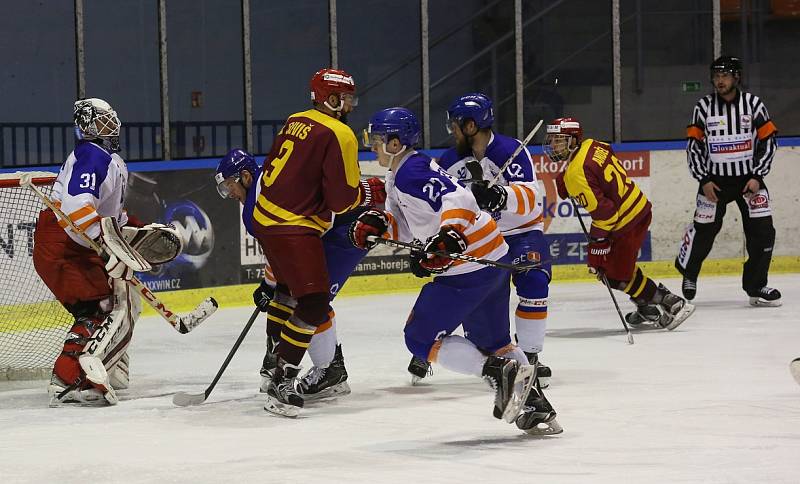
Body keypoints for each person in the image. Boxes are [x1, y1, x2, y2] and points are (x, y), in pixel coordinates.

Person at [351, 107, 561, 435]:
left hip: (469, 265)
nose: (372, 146)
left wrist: (450, 236)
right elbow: (410, 227)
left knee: (419, 338)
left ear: (394, 144)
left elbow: (459, 198)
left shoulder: (411, 172)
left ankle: (497, 373)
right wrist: (381, 224)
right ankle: (535, 404)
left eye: (376, 140)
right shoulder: (401, 173)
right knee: (496, 343)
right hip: (489, 255)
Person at [33, 98, 182, 406]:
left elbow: (111, 215)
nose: (111, 123)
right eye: (103, 119)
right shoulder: (91, 156)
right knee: (100, 308)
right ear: (88, 126)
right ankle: (67, 380)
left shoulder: (108, 160)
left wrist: (137, 233)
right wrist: (108, 246)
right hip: (62, 246)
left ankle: (109, 367)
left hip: (76, 243)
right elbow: (77, 208)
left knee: (125, 301)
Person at [214, 148, 383, 401]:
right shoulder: (263, 190)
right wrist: (269, 283)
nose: (229, 195)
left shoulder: (256, 207)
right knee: (291, 293)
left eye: (230, 186)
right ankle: (283, 359)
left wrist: (368, 191)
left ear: (246, 177)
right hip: (332, 227)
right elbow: (282, 255)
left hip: (349, 229)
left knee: (311, 301)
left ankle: (330, 370)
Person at [250, 68, 368, 418]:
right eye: (345, 98)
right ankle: (283, 377)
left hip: (265, 219)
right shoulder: (341, 133)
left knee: (285, 292)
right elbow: (342, 200)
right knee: (314, 303)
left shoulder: (294, 120)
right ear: (331, 98)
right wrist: (366, 192)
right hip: (294, 225)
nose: (349, 105)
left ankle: (272, 364)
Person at [434, 92, 552, 389]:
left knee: (535, 282)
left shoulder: (511, 150)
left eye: (456, 125)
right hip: (482, 239)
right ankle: (436, 337)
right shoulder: (448, 161)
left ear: (470, 126)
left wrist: (502, 195)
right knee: (468, 292)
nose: (453, 131)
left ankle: (530, 357)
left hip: (521, 232)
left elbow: (532, 200)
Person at [549, 117, 695, 330]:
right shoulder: (594, 145)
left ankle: (672, 303)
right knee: (618, 269)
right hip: (638, 208)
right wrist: (568, 173)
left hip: (625, 223)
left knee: (614, 275)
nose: (553, 145)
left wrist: (597, 247)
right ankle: (646, 307)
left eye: (558, 140)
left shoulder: (575, 174)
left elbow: (606, 214)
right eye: (552, 140)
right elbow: (597, 168)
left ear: (573, 141)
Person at [675, 56, 780, 307]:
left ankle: (756, 286)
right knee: (704, 232)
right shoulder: (703, 107)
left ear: (737, 77)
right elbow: (694, 147)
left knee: (763, 232)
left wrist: (757, 175)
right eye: (716, 76)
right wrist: (704, 179)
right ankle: (689, 274)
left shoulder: (754, 104)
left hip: (749, 182)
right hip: (714, 182)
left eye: (725, 75)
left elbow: (770, 140)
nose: (719, 81)